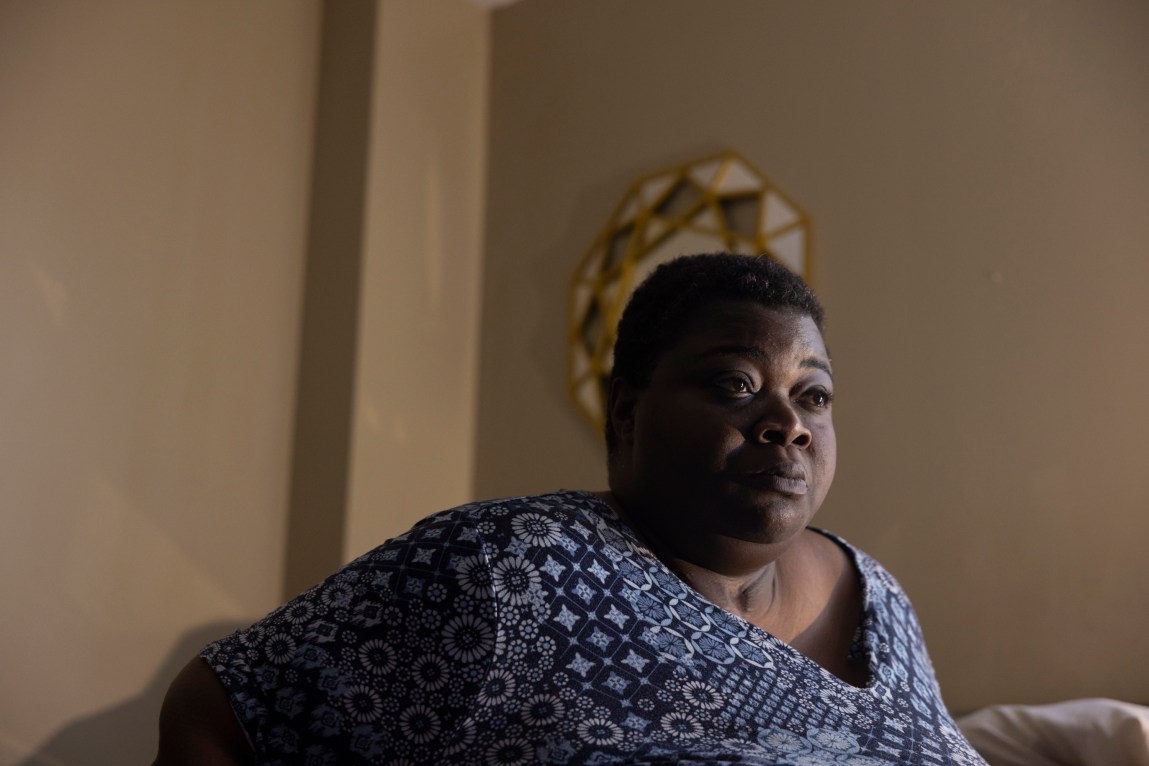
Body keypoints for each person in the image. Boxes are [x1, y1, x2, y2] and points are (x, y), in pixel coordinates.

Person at [155, 253, 987, 765]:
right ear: (626, 412)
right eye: (736, 385)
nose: (789, 424)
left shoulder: (878, 598)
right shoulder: (512, 567)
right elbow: (223, 711)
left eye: (814, 396)